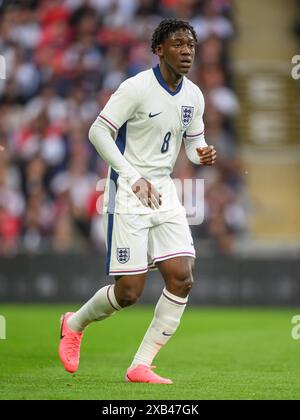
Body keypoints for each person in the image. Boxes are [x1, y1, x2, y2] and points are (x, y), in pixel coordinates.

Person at [59, 18, 216, 384]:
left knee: (182, 277)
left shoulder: (194, 95)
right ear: (159, 49)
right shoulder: (136, 87)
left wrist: (201, 153)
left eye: (190, 44)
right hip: (128, 192)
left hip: (164, 191)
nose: (186, 50)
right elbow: (98, 131)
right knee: (129, 293)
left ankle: (140, 365)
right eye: (177, 44)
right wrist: (132, 177)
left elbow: (192, 143)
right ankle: (74, 322)